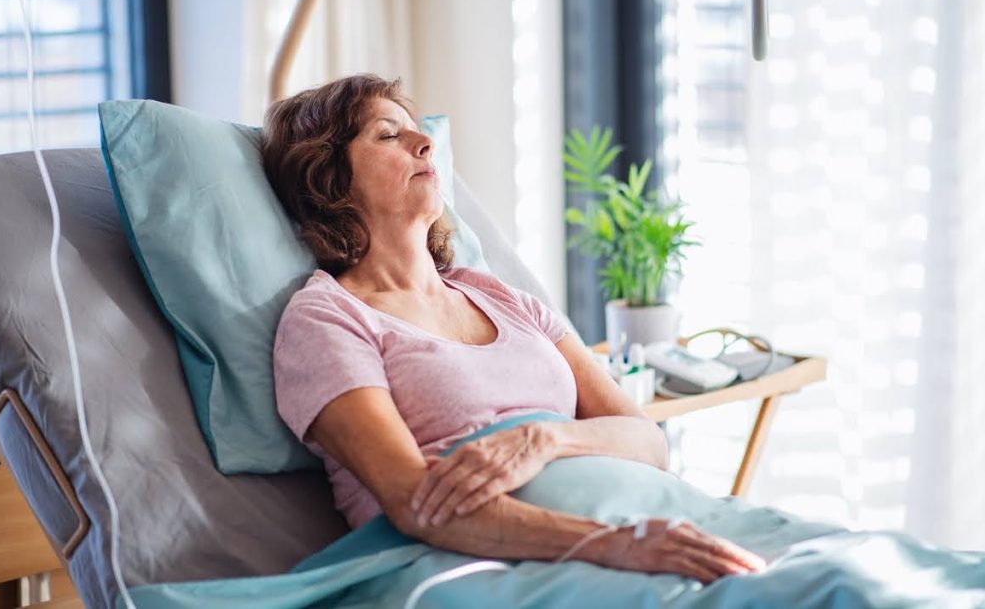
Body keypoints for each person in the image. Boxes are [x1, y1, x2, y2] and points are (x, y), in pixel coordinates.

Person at [261, 74, 766, 585]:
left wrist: (544, 440)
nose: (424, 143)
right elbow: (415, 502)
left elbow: (647, 442)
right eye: (389, 135)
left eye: (417, 132)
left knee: (832, 575)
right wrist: (611, 545)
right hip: (498, 561)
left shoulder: (502, 298)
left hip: (643, 520)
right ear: (327, 179)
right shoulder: (328, 319)